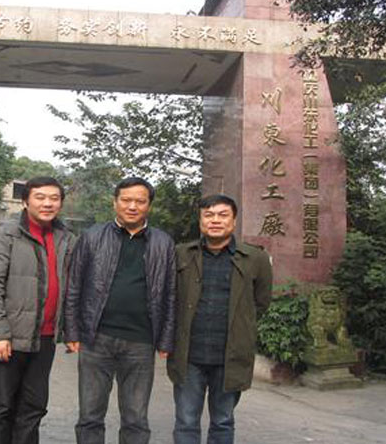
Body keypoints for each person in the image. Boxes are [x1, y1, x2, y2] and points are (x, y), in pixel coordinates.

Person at [64, 177, 176, 444]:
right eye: (126, 200)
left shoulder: (163, 243)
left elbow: (170, 293)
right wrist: (72, 331)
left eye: (140, 201)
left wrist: (166, 338)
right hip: (96, 338)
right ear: (115, 202)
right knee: (90, 415)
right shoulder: (92, 237)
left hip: (141, 341)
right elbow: (74, 286)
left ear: (149, 205)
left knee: (136, 419)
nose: (132, 206)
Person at [0, 176, 76, 444]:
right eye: (40, 197)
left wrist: (72, 330)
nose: (47, 203)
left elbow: (74, 286)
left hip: (45, 339)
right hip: (9, 338)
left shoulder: (67, 239)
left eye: (54, 198)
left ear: (61, 203)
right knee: (0, 409)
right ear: (25, 201)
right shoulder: (4, 235)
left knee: (33, 409)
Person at [167, 194, 272, 444]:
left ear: (234, 221)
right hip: (189, 355)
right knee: (186, 421)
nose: (215, 220)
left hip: (230, 357)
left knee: (223, 421)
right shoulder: (181, 254)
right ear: (200, 221)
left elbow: (261, 302)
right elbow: (169, 298)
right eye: (209, 215)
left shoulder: (254, 258)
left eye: (223, 215)